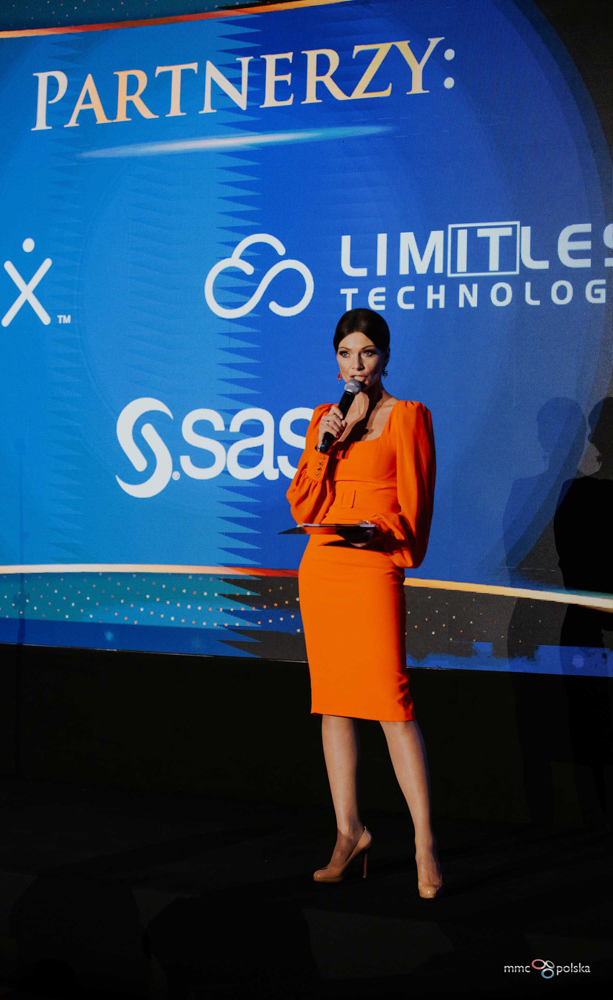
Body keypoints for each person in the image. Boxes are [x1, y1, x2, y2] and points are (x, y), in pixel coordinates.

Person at [286, 307, 443, 898]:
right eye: (346, 354)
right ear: (336, 362)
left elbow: (416, 511)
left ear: (385, 357)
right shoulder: (321, 421)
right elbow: (303, 506)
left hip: (373, 563)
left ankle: (425, 843)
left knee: (391, 704)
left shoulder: (408, 416)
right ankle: (349, 832)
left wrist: (380, 529)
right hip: (323, 564)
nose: (357, 364)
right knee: (333, 704)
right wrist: (324, 446)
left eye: (368, 353)